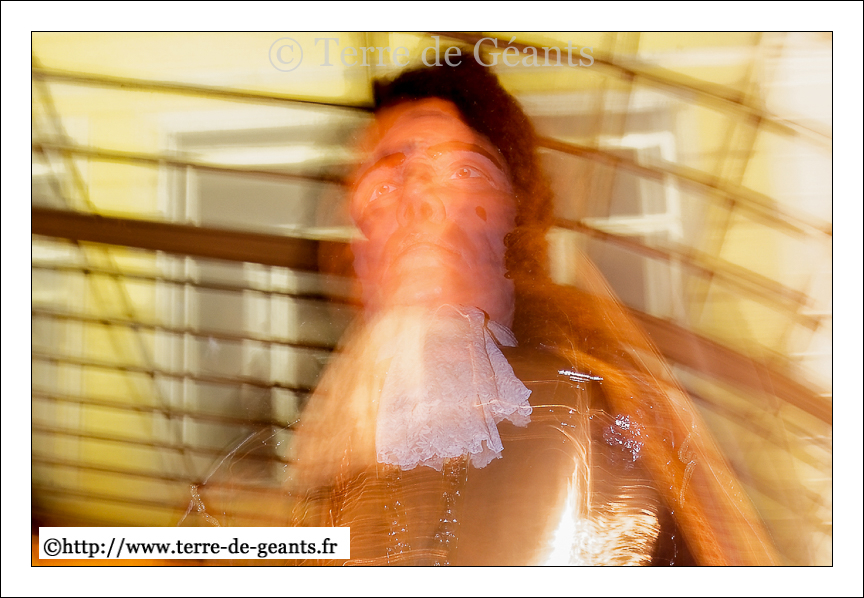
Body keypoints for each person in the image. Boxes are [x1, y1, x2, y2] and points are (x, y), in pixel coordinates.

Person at [288, 56, 779, 566]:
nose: (416, 201)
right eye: (384, 182)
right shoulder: (346, 440)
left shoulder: (580, 400)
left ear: (512, 212)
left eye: (458, 171)